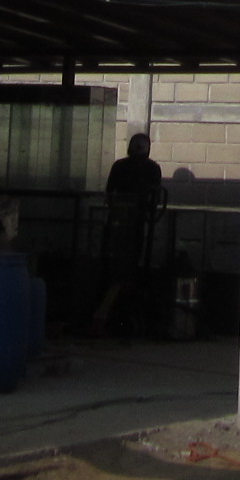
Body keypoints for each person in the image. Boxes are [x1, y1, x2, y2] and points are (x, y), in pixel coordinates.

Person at [95, 134, 163, 336]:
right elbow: (154, 199)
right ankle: (116, 307)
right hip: (129, 224)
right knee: (125, 265)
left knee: (119, 265)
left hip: (122, 224)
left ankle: (115, 307)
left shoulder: (122, 167)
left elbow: (110, 194)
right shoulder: (150, 168)